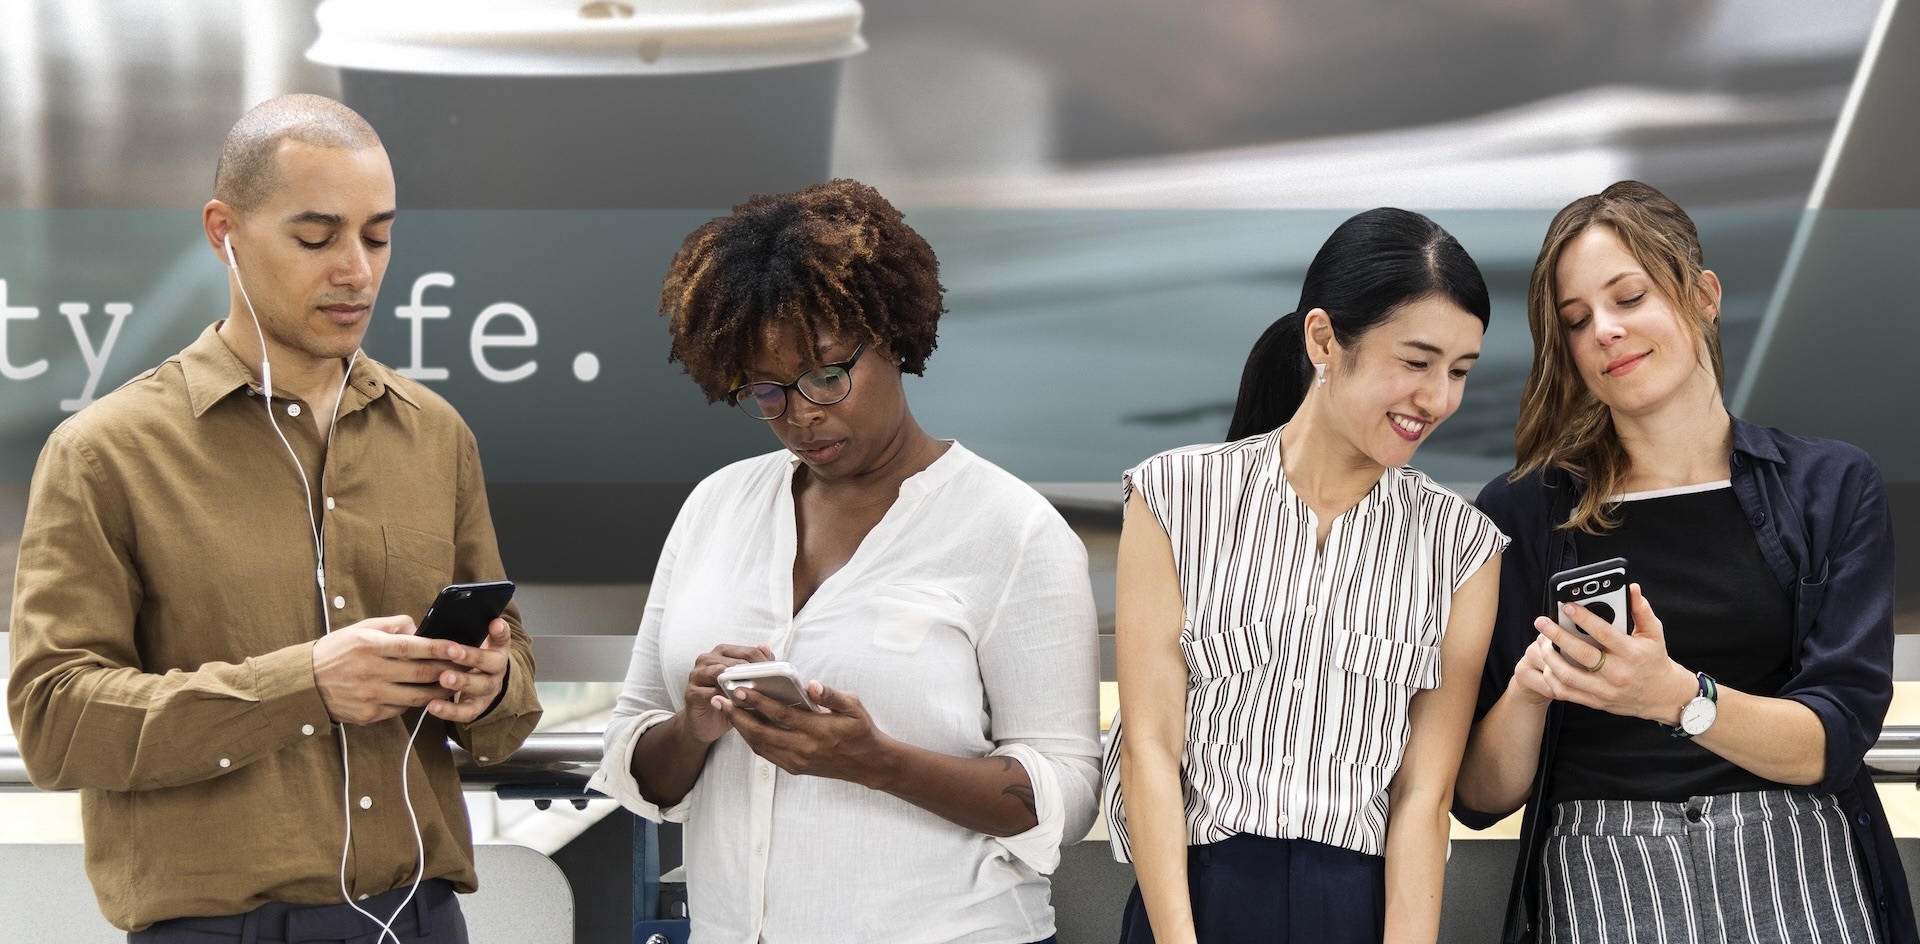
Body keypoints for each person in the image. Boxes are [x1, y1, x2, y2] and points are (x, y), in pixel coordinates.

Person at [6, 94, 542, 942]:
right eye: (316, 236)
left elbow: (510, 671)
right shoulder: (103, 453)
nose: (356, 271)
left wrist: (487, 689)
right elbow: (56, 721)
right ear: (224, 231)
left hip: (421, 919)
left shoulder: (436, 436)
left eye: (377, 235)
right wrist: (306, 686)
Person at [588, 179, 1101, 944]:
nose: (800, 415)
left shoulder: (1011, 529)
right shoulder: (715, 509)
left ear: (892, 336)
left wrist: (878, 761)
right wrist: (693, 727)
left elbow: (1069, 791)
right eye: (765, 390)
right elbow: (639, 756)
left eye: (828, 373)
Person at [1454, 180, 1915, 944]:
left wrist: (1676, 696)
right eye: (1576, 320)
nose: (1604, 329)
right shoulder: (1522, 514)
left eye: (1628, 297)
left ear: (1703, 295)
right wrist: (1533, 691)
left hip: (1795, 866)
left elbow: (1834, 740)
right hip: (1606, 882)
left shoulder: (1832, 487)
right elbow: (1477, 795)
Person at [1104, 207, 1507, 944]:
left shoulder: (1465, 548)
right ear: (1324, 339)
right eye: (1416, 363)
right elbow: (1151, 748)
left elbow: (1424, 796)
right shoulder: (1173, 497)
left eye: (1459, 372)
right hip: (1194, 901)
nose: (1439, 399)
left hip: (1357, 907)